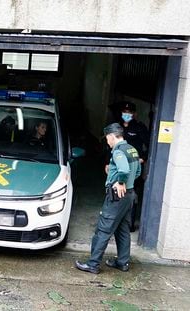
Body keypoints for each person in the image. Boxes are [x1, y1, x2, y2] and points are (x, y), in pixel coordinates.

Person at [75, 123, 141, 274]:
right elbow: (137, 172)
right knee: (122, 230)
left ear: (111, 136)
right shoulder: (132, 149)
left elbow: (124, 169)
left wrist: (120, 181)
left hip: (117, 197)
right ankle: (122, 262)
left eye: (107, 139)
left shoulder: (118, 151)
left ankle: (93, 264)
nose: (107, 142)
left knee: (103, 230)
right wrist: (121, 179)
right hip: (129, 195)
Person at [105, 101, 149, 231]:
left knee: (131, 195)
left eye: (129, 113)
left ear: (134, 114)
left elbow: (150, 144)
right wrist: (108, 162)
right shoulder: (117, 128)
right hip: (117, 166)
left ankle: (128, 224)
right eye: (125, 112)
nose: (126, 114)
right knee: (114, 192)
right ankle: (114, 223)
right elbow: (110, 147)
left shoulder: (140, 128)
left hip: (133, 166)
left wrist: (142, 158)